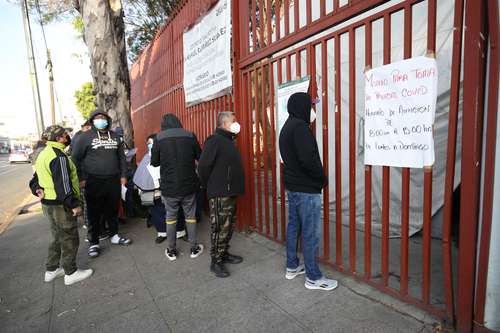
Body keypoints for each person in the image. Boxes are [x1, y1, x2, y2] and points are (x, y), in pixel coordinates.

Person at [279, 92, 338, 291]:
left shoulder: (286, 128)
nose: (312, 110)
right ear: (301, 106)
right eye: (310, 106)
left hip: (293, 187)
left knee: (294, 226)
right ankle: (313, 277)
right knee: (310, 233)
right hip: (306, 189)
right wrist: (322, 179)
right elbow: (308, 159)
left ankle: (292, 266)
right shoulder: (301, 128)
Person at [29, 125, 93, 285]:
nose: (68, 137)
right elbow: (63, 185)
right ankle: (71, 273)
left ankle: (51, 270)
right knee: (69, 237)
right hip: (60, 205)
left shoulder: (44, 154)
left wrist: (36, 189)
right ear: (58, 138)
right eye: (65, 135)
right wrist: (74, 205)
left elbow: (35, 179)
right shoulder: (59, 157)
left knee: (56, 237)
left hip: (48, 204)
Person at [71, 109, 132, 258]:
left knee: (112, 209)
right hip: (93, 180)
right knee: (94, 213)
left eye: (103, 118)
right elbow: (75, 160)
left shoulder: (115, 136)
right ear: (92, 120)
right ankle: (94, 242)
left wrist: (123, 175)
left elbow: (122, 158)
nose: (100, 120)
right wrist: (81, 179)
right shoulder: (84, 138)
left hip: (113, 180)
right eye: (97, 118)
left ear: (107, 120)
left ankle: (114, 235)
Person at [198, 112, 245, 278]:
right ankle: (215, 262)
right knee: (219, 228)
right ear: (224, 123)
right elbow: (203, 166)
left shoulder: (228, 141)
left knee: (228, 226)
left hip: (230, 192)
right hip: (220, 193)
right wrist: (209, 185)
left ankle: (223, 254)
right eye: (234, 120)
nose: (236, 123)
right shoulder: (215, 140)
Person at [151, 113, 203, 261]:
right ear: (178, 122)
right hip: (189, 186)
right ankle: (194, 248)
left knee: (171, 218)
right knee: (190, 217)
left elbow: (154, 162)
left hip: (169, 188)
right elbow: (200, 156)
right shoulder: (190, 135)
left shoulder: (158, 138)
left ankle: (171, 250)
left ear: (163, 125)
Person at [133, 134, 187, 243]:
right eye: (149, 143)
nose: (151, 145)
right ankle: (162, 232)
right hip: (154, 192)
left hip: (170, 189)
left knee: (177, 210)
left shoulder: (169, 156)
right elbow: (141, 176)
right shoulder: (146, 158)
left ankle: (179, 232)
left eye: (153, 143)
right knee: (157, 211)